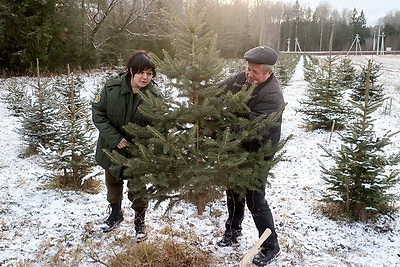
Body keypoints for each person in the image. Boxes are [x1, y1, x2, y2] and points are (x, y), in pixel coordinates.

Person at [217, 46, 284, 266]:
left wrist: (222, 124)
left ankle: (270, 245)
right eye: (248, 69)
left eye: (255, 72)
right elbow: (217, 90)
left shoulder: (272, 95)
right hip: (237, 147)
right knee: (233, 191)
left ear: (268, 73)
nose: (249, 74)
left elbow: (253, 128)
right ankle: (233, 231)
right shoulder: (241, 78)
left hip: (259, 152)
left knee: (255, 199)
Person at [92, 50, 158, 241]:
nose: (145, 78)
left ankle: (139, 222)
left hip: (138, 151)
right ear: (130, 71)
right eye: (141, 73)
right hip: (112, 146)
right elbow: (98, 113)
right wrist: (114, 138)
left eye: (149, 73)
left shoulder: (154, 96)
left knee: (138, 187)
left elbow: (159, 124)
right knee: (112, 182)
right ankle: (115, 214)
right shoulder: (111, 88)